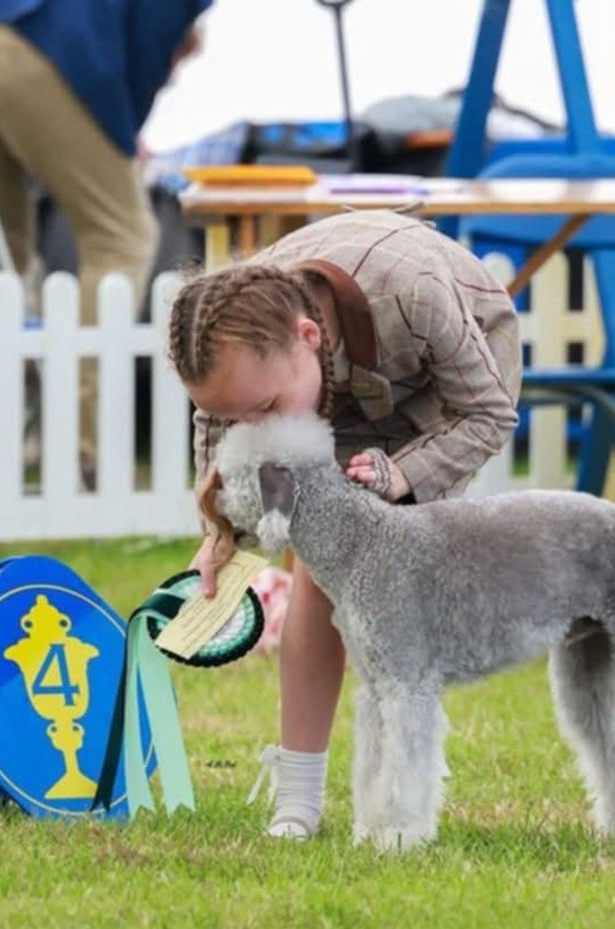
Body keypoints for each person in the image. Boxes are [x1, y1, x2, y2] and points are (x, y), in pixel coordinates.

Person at [168, 209, 522, 839]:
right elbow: (219, 426)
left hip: (446, 395)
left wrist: (401, 475)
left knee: (375, 574)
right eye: (239, 416)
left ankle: (405, 785)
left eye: (269, 410)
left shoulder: (414, 294)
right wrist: (221, 534)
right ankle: (298, 801)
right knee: (318, 565)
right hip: (331, 386)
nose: (259, 434)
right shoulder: (240, 341)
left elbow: (488, 413)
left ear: (307, 335)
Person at [0, 0, 213, 481]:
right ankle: (86, 447)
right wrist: (121, 132)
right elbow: (151, 33)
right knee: (121, 236)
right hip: (36, 52)